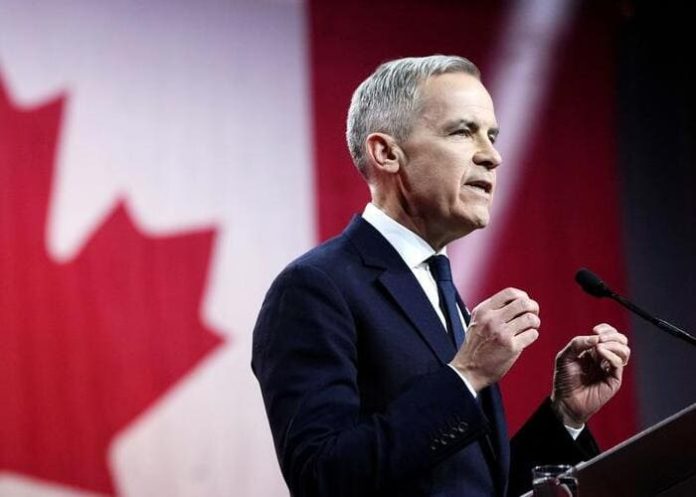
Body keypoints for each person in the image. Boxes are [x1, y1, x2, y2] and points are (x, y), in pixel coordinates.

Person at [251, 55, 630, 497]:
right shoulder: (315, 288)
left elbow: (472, 487)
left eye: (491, 136)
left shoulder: (438, 289)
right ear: (387, 153)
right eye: (463, 132)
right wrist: (466, 374)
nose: (492, 156)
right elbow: (322, 478)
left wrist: (565, 415)